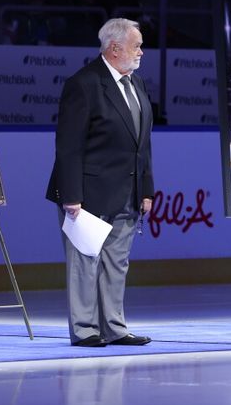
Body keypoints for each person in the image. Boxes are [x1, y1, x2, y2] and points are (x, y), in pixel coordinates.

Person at [46, 18, 153, 347]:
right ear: (115, 47)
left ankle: (114, 327)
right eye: (136, 46)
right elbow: (68, 146)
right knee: (84, 262)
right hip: (88, 192)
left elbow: (142, 143)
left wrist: (146, 189)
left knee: (116, 263)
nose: (141, 52)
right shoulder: (84, 84)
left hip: (127, 191)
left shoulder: (136, 84)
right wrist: (72, 196)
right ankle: (85, 329)